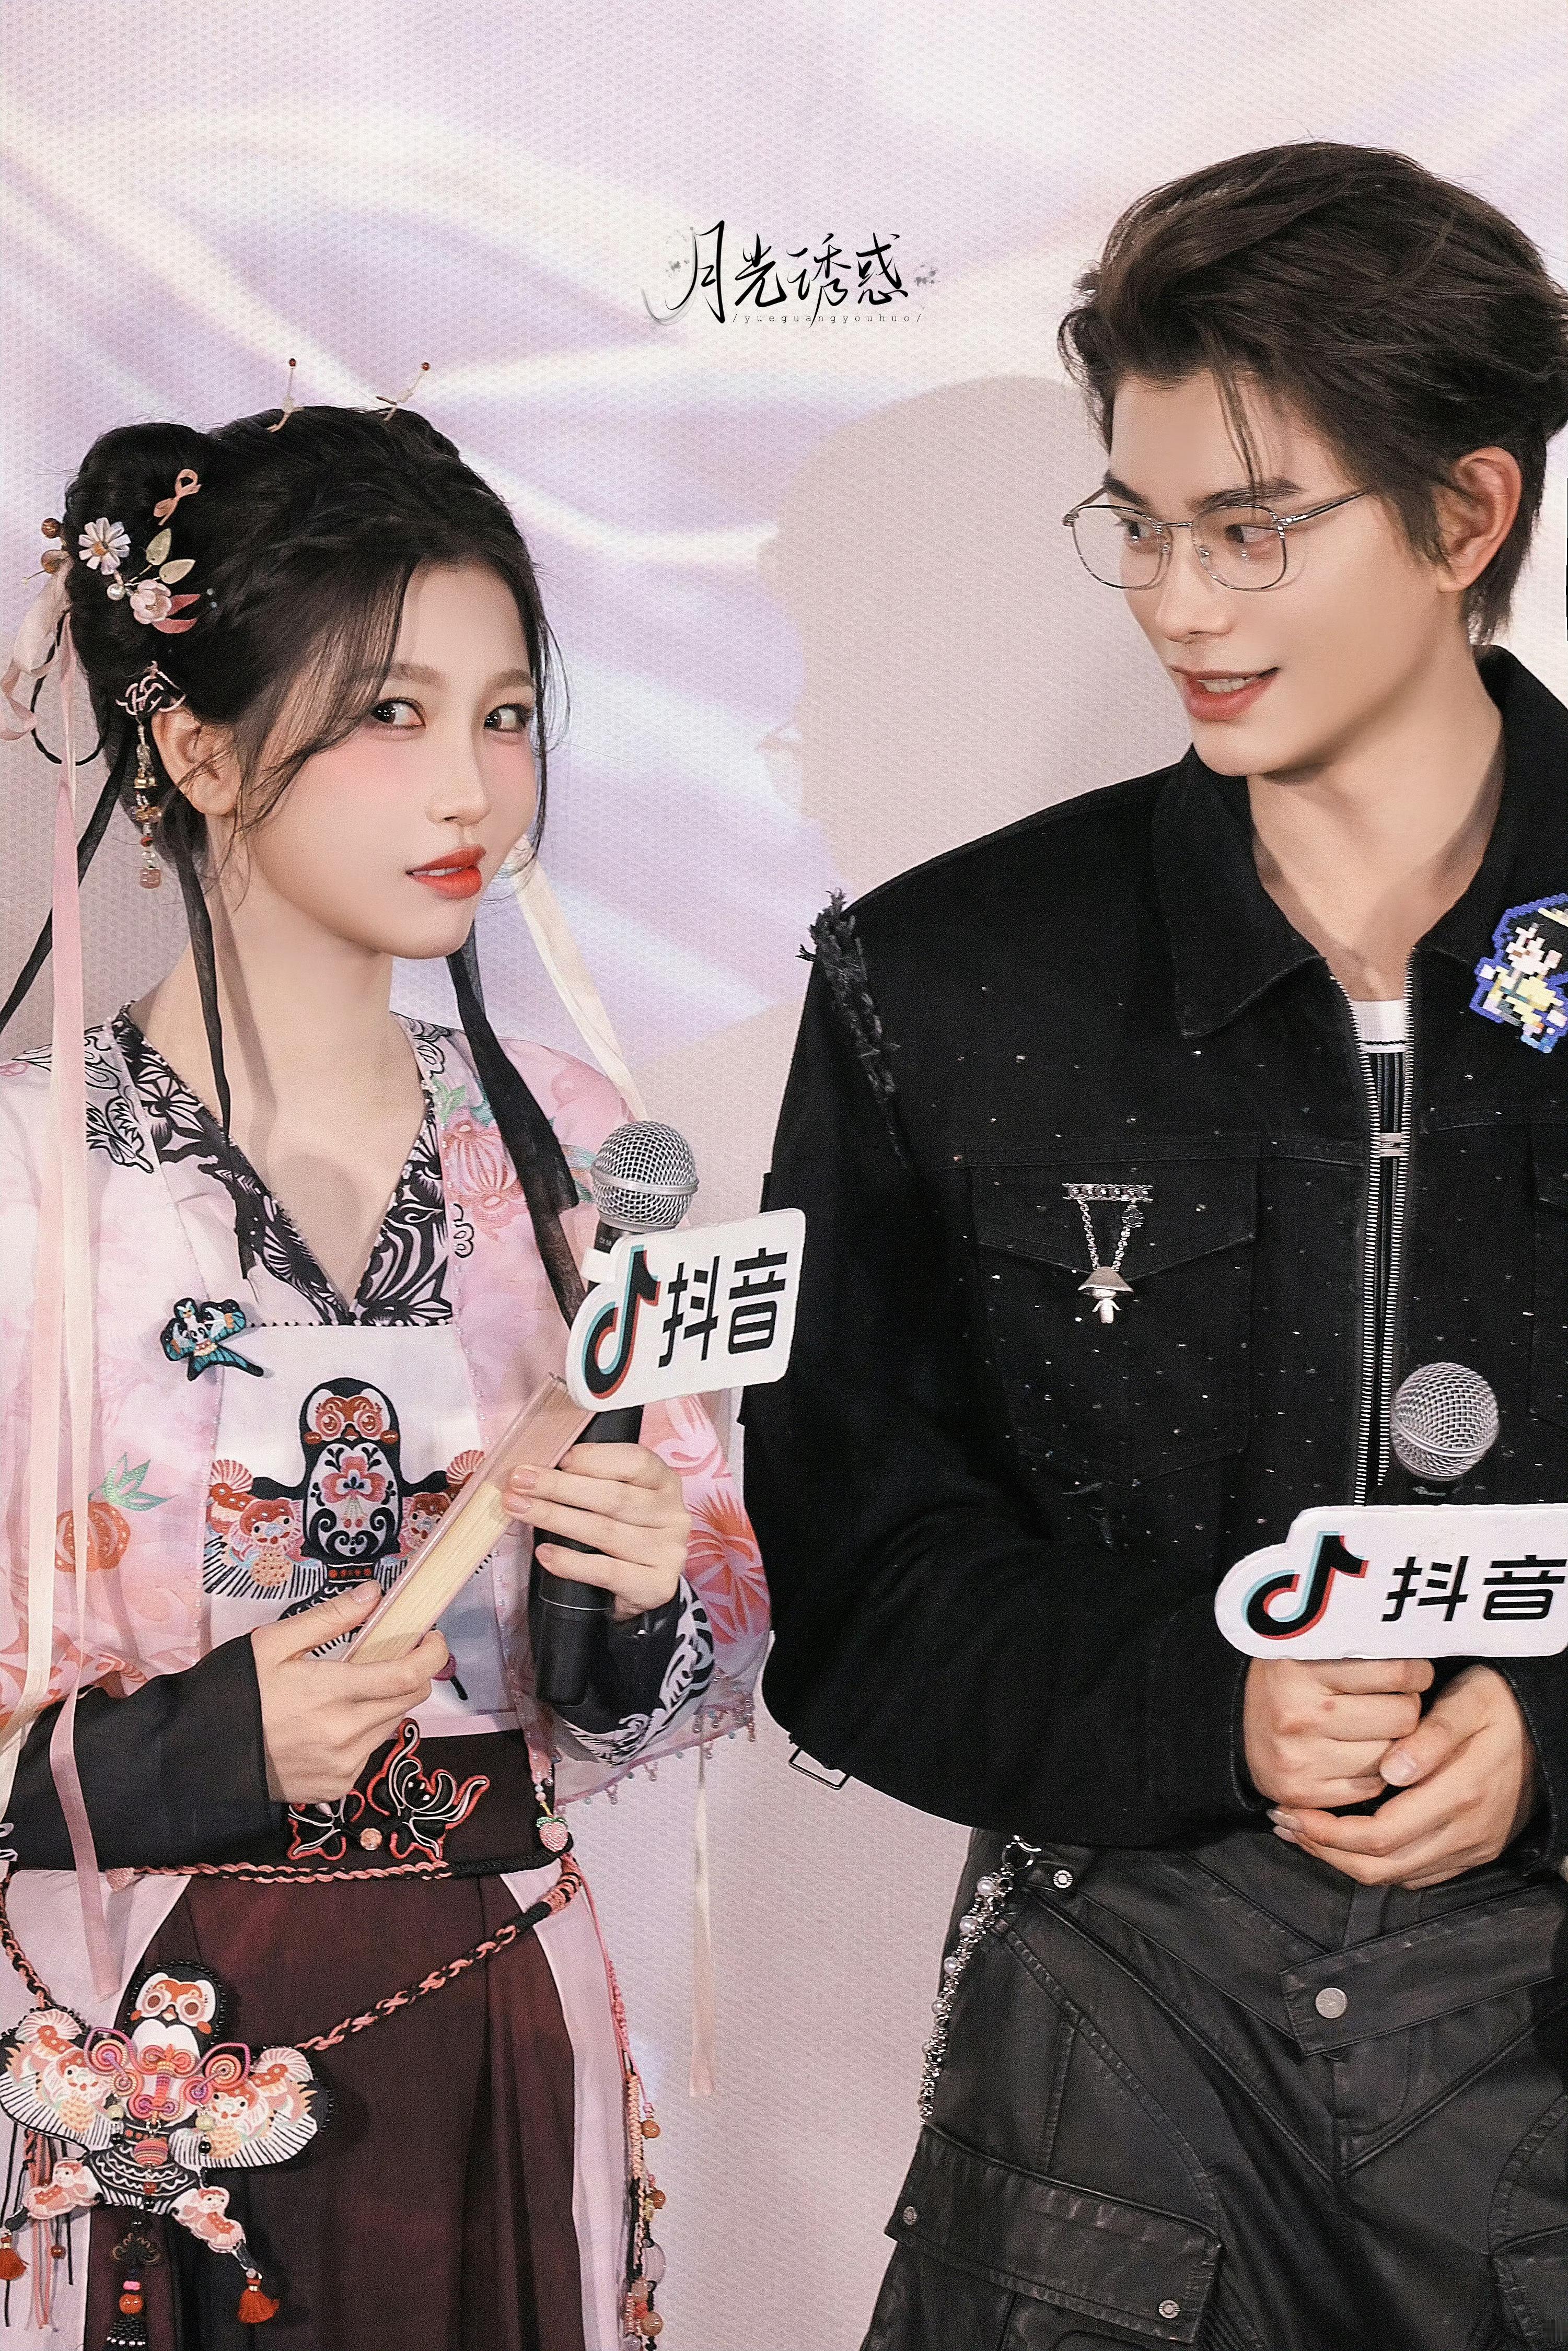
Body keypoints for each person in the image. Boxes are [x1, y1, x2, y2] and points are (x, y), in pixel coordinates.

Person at [743, 142, 1568, 2351]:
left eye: (1252, 527)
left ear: (1465, 516)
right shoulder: (948, 979)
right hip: (1107, 2128)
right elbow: (857, 1579)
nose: (1179, 605)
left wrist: (1547, 1730)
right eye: (1141, 523)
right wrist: (1218, 1700)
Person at [0, 400, 767, 2351]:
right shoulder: (29, 1182)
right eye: (390, 714)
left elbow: (706, 1626)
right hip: (135, 2019)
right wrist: (196, 1747)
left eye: (505, 716)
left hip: (490, 1982)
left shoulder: (573, 1144)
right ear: (195, 748)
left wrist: (626, 1586)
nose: (470, 787)